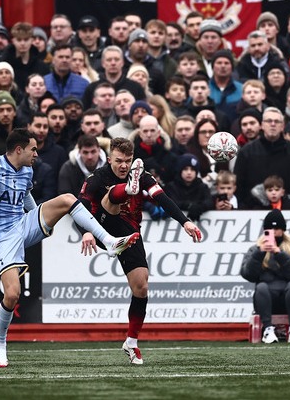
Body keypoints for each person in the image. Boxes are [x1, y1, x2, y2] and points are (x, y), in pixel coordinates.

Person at [0, 128, 141, 368]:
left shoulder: (27, 170)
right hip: (2, 236)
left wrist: (40, 218)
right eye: (33, 149)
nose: (36, 153)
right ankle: (0, 344)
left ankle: (108, 241)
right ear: (19, 149)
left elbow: (25, 198)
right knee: (12, 294)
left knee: (67, 199)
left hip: (22, 224)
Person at [79, 138, 202, 364]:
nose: (123, 165)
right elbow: (81, 206)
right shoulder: (97, 178)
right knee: (110, 202)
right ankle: (126, 189)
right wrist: (85, 232)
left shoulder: (144, 176)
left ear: (132, 160)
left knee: (141, 287)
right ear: (109, 160)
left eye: (127, 161)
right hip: (101, 225)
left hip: (130, 233)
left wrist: (185, 222)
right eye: (119, 161)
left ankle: (131, 342)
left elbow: (163, 199)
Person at [240, 209, 290, 344]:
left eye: (277, 228)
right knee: (261, 286)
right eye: (270, 228)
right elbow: (248, 274)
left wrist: (279, 254)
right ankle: (268, 329)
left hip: (287, 299)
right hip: (264, 300)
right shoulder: (255, 249)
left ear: (283, 230)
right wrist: (260, 254)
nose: (274, 231)